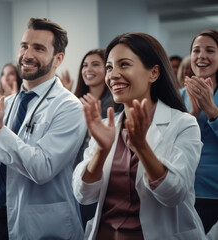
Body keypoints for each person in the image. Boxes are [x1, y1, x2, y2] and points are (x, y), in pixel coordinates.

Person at [73, 32, 205, 240]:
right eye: (109, 67)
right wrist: (101, 150)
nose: (113, 74)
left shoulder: (183, 124)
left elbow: (174, 194)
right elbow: (83, 195)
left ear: (153, 73)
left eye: (124, 64)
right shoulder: (109, 126)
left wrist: (142, 147)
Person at [0, 17, 85, 239]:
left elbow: (42, 168)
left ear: (58, 59)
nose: (27, 55)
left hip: (39, 225)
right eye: (24, 46)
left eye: (38, 48)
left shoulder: (69, 107)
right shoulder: (7, 103)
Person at [73, 49, 119, 229]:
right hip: (76, 175)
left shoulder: (113, 105)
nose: (88, 69)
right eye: (85, 65)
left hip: (100, 176)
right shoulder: (75, 101)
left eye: (95, 64)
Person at [180, 29, 218, 234]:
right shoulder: (177, 96)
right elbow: (167, 144)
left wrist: (212, 111)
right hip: (183, 194)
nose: (201, 56)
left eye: (210, 50)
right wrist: (192, 114)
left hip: (215, 193)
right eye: (196, 50)